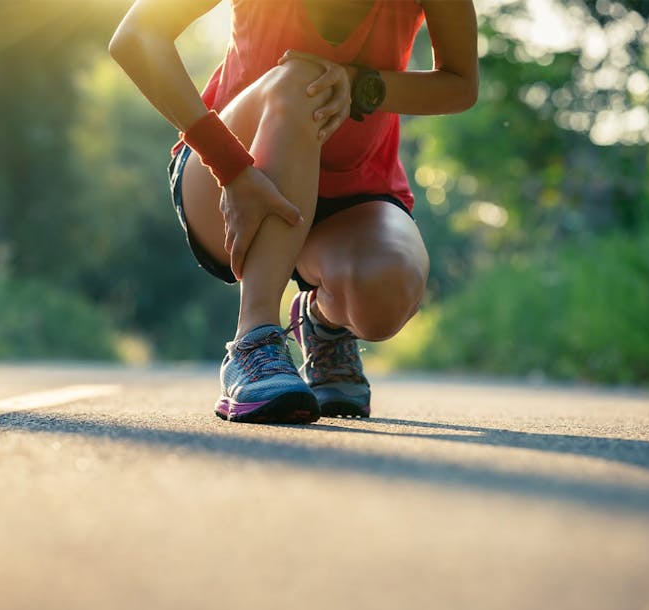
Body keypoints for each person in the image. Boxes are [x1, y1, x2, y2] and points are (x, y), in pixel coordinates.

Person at [110, 0, 478, 424]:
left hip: (355, 190)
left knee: (386, 292)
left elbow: (460, 84)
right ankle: (254, 341)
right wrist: (229, 166)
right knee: (304, 79)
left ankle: (322, 323)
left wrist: (360, 85)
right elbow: (136, 35)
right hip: (232, 172)